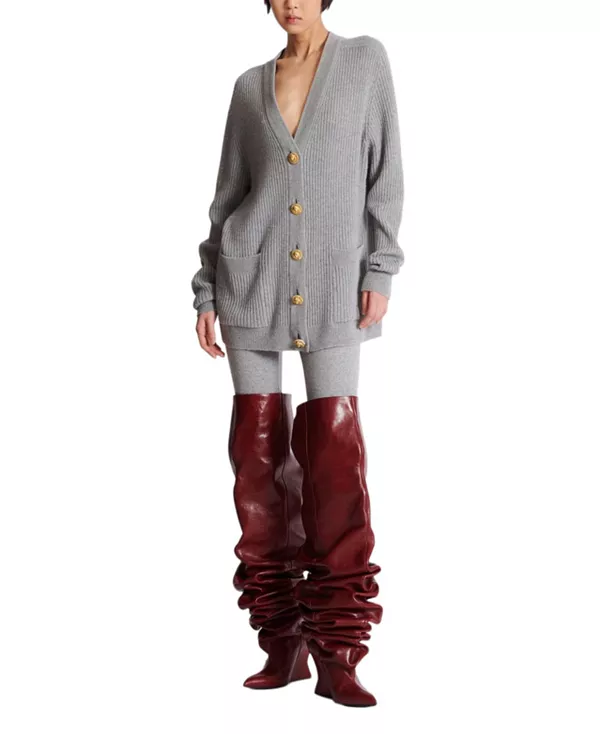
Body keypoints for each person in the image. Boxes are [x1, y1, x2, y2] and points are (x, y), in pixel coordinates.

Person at [191, 0, 404, 708]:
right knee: (256, 466)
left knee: (335, 464)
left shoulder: (365, 61)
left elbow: (385, 174)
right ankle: (281, 643)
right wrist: (206, 291)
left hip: (334, 285)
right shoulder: (248, 86)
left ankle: (338, 651)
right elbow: (228, 197)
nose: (290, 2)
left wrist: (380, 269)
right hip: (248, 285)